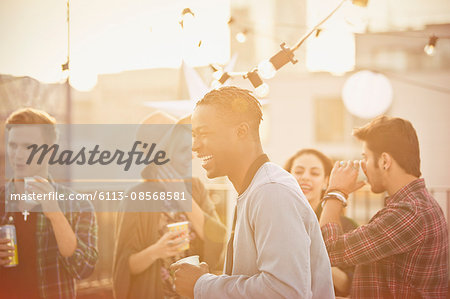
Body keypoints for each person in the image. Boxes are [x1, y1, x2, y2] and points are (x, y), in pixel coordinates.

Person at [171, 86, 334, 298]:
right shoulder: (256, 189)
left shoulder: (271, 192)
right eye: (193, 135)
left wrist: (202, 285)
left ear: (241, 131)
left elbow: (285, 292)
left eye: (203, 134)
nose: (194, 146)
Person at [320, 115, 448, 298]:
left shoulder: (408, 213)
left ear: (385, 161)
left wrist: (336, 191)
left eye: (365, 157)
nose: (362, 167)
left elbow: (327, 251)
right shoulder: (416, 205)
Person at [112, 112, 227, 299]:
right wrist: (157, 251)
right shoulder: (136, 197)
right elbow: (125, 267)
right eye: (183, 150)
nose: (191, 156)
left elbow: (218, 238)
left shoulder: (195, 189)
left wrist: (182, 196)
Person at [0, 108, 98, 299]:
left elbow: (84, 269)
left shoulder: (78, 205)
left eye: (28, 147)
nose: (18, 154)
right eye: (13, 145)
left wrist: (55, 215)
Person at [284, 148, 357, 296]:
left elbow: (349, 286)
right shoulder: (276, 220)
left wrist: (314, 259)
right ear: (288, 177)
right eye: (298, 172)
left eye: (315, 173)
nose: (305, 177)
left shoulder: (347, 226)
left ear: (326, 181)